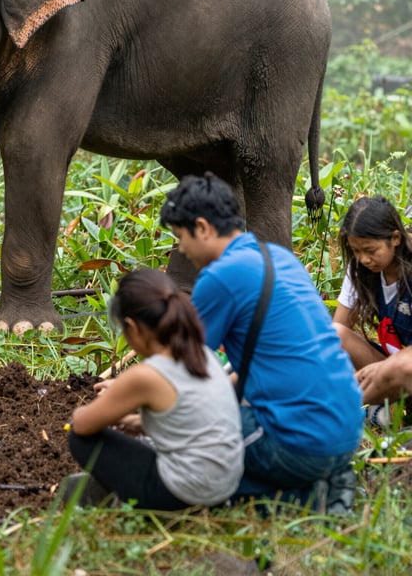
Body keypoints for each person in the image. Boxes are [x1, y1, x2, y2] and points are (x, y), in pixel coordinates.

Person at [160, 172, 363, 511]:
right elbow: (259, 365)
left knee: (188, 440)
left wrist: (138, 407)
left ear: (202, 227)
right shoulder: (279, 258)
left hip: (302, 444)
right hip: (347, 431)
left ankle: (303, 497)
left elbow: (178, 368)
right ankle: (321, 480)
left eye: (181, 237)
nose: (181, 249)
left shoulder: (219, 277)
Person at [63, 268, 243, 510]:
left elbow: (82, 424)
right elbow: (193, 415)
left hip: (185, 495)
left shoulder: (146, 376)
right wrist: (140, 422)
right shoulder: (202, 354)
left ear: (132, 327)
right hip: (225, 487)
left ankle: (137, 505)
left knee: (79, 438)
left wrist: (116, 400)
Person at [333, 195, 412, 417]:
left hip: (404, 366)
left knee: (402, 366)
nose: (364, 259)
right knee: (335, 335)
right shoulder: (360, 271)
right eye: (356, 251)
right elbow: (335, 334)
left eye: (370, 250)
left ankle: (339, 410)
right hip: (394, 365)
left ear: (395, 238)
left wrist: (385, 369)